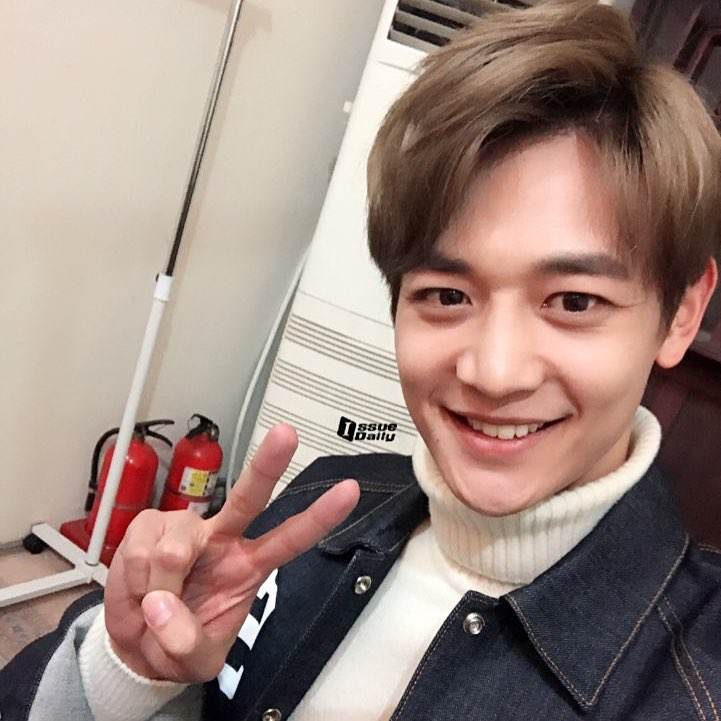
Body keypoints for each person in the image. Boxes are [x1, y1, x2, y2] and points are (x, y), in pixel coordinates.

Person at [3, 0, 721, 719]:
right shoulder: (323, 502)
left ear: (681, 312)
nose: (494, 372)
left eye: (573, 301)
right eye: (447, 294)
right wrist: (132, 674)